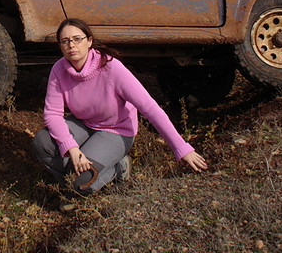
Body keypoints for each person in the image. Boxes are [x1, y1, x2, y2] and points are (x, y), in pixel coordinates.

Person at [32, 18, 207, 205]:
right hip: (84, 123)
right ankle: (76, 180)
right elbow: (52, 114)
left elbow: (149, 107)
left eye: (77, 39)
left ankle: (115, 169)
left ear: (89, 41)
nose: (71, 45)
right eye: (65, 41)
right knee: (43, 143)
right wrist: (72, 149)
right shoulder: (59, 69)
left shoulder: (111, 67)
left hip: (116, 130)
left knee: (80, 180)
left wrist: (181, 148)